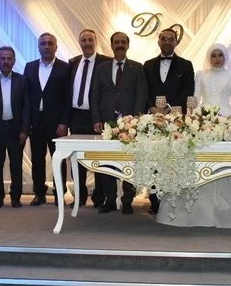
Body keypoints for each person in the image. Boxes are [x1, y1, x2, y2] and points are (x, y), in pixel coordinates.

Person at [90, 32, 147, 214]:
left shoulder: (137, 67)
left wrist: (137, 119)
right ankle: (110, 199)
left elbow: (141, 94)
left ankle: (127, 200)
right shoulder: (101, 68)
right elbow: (94, 94)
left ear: (128, 45)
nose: (120, 45)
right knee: (107, 162)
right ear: (112, 45)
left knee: (130, 162)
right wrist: (96, 119)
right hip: (107, 122)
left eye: (123, 42)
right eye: (117, 42)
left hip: (130, 123)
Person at [142, 28, 195, 214]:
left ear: (176, 42)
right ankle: (155, 201)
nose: (167, 42)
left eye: (171, 39)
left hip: (176, 119)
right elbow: (144, 90)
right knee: (154, 159)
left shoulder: (186, 65)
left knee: (174, 159)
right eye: (163, 39)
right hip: (152, 118)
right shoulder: (147, 65)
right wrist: (152, 107)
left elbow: (188, 91)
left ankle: (174, 200)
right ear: (158, 41)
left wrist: (170, 108)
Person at [24, 32, 71, 206]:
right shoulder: (29, 67)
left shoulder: (65, 68)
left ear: (56, 47)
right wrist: (27, 122)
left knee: (59, 159)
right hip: (36, 121)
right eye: (43, 43)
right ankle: (39, 193)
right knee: (37, 159)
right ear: (38, 47)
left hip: (57, 123)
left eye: (50, 43)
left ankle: (59, 193)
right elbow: (26, 97)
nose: (46, 46)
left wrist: (64, 122)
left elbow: (68, 97)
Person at [68, 29, 112, 208]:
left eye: (90, 40)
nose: (87, 43)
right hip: (76, 117)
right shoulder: (73, 62)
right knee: (77, 159)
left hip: (97, 118)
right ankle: (79, 196)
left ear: (96, 42)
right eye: (83, 40)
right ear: (79, 42)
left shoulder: (106, 62)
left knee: (99, 160)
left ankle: (99, 198)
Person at [0, 46, 29, 208]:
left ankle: (16, 197)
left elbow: (27, 107)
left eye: (9, 58)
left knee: (16, 165)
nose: (6, 62)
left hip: (16, 130)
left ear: (14, 61)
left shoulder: (22, 80)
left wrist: (25, 130)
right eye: (2, 58)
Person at [193, 43, 231, 118]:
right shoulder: (200, 75)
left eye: (220, 55)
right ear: (209, 57)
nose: (217, 58)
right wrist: (194, 117)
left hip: (226, 117)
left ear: (225, 56)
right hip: (204, 116)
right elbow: (196, 98)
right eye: (213, 56)